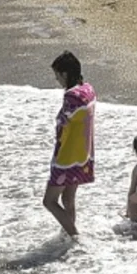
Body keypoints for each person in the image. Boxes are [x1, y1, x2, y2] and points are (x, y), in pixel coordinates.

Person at [44, 51, 96, 238]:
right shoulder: (89, 90)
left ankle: (74, 237)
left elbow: (63, 124)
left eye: (57, 75)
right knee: (68, 199)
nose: (57, 79)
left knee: (49, 201)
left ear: (64, 74)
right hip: (83, 156)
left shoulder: (71, 96)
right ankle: (68, 235)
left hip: (66, 158)